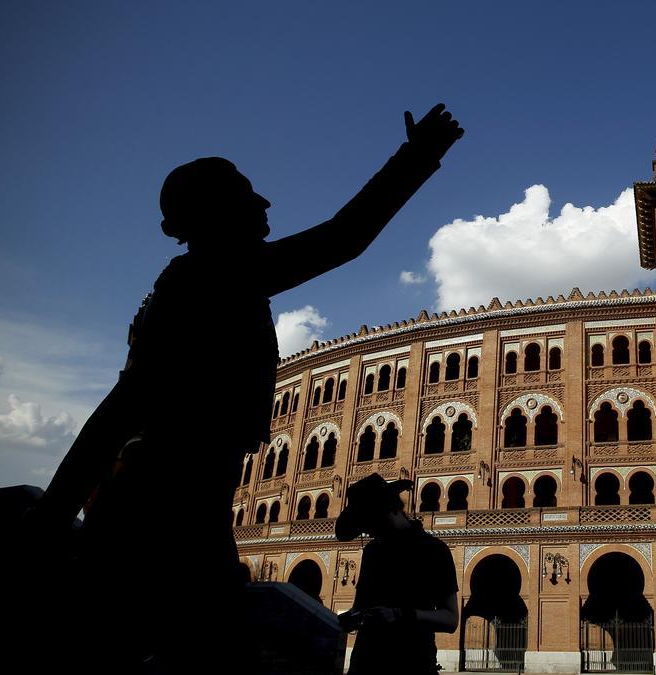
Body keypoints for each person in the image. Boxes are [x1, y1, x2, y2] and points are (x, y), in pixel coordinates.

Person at [23, 105, 463, 673]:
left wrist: (56, 511)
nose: (265, 205)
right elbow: (343, 239)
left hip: (184, 498)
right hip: (168, 501)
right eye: (246, 194)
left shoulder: (201, 282)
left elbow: (121, 408)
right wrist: (417, 156)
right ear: (209, 216)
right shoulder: (209, 276)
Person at [335, 473, 459, 673]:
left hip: (412, 663)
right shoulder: (372, 551)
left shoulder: (434, 550)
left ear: (392, 507)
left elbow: (451, 619)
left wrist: (402, 615)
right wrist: (348, 618)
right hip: (366, 663)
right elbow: (359, 607)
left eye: (372, 522)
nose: (370, 533)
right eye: (365, 527)